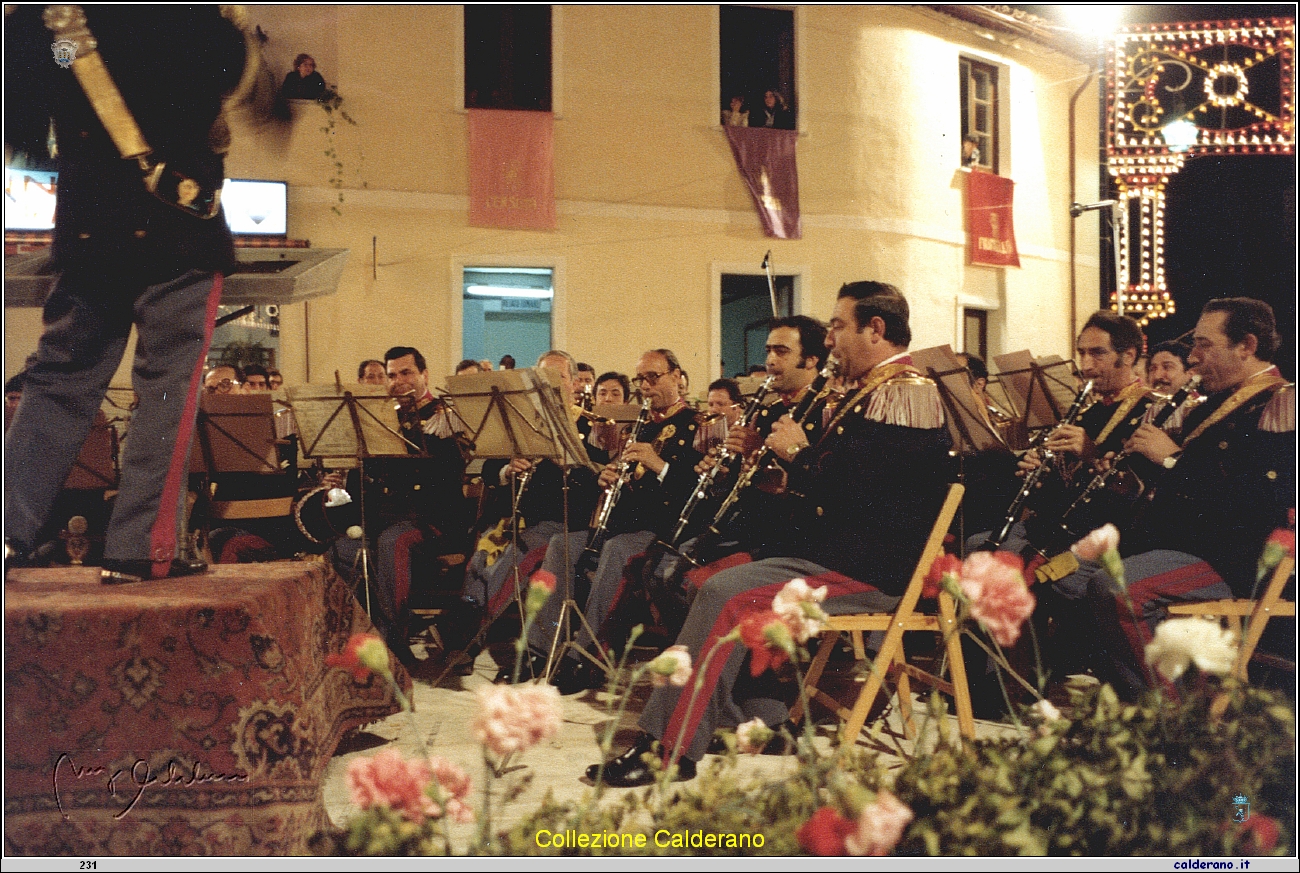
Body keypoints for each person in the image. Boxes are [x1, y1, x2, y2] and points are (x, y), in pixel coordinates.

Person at [589, 282, 951, 787]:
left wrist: (797, 456)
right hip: (838, 551)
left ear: (877, 329)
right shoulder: (876, 388)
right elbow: (849, 484)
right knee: (716, 581)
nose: (830, 340)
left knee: (727, 593)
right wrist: (783, 472)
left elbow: (869, 498)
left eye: (840, 326)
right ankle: (753, 717)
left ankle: (667, 748)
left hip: (871, 567)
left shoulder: (904, 392)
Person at [4, 6, 273, 582]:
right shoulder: (196, 20)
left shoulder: (53, 26)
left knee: (56, 385)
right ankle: (140, 549)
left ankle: (5, 534)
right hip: (177, 233)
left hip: (89, 231)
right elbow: (233, 89)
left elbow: (24, 125)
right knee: (165, 393)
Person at [1077, 298, 1294, 699]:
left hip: (1238, 558)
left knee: (1115, 588)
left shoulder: (1281, 404)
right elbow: (1181, 489)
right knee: (1074, 581)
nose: (1192, 357)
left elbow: (1261, 502)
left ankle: (1170, 718)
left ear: (1246, 346)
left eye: (1204, 345)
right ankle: (1137, 705)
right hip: (1184, 546)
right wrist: (1129, 485)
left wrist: (1172, 460)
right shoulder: (1208, 407)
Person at [526, 349, 705, 692]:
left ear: (677, 376)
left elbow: (700, 492)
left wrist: (660, 465)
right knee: (563, 544)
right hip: (626, 522)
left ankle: (587, 656)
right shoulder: (642, 424)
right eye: (642, 380)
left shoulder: (696, 425)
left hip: (665, 529)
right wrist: (611, 476)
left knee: (618, 550)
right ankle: (540, 646)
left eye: (654, 377)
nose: (646, 387)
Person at [331, 346, 470, 663]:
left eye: (406, 373)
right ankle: (357, 638)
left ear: (424, 375)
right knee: (341, 549)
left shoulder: (443, 417)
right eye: (391, 375)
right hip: (385, 518)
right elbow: (368, 478)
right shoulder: (379, 417)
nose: (397, 381)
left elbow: (448, 475)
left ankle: (390, 641)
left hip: (433, 520)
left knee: (393, 543)